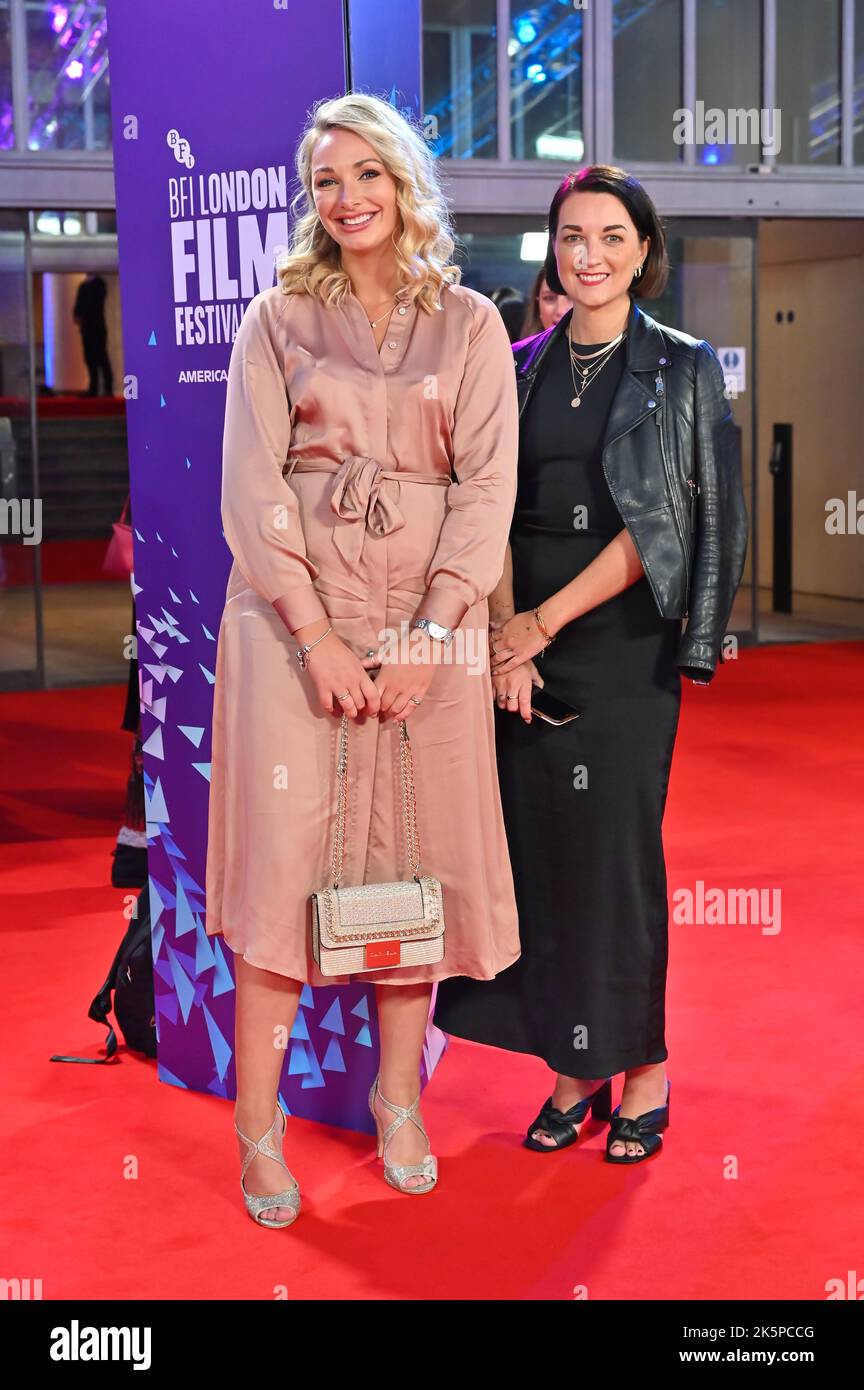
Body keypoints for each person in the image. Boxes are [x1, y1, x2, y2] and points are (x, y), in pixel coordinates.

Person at [204, 93, 521, 1225]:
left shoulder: (473, 323)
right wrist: (316, 631)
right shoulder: (275, 318)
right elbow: (249, 491)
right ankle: (258, 1126)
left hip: (434, 630)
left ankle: (398, 1100)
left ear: (404, 181)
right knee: (282, 875)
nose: (347, 199)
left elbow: (487, 489)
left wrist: (436, 633)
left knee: (413, 871)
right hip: (291, 628)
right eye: (327, 180)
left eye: (367, 175)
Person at [434, 164, 748, 1164]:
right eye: (572, 235)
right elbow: (482, 509)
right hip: (516, 641)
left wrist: (543, 622)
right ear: (552, 249)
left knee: (613, 864)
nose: (590, 254)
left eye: (612, 236)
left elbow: (672, 520)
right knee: (540, 864)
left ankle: (641, 1064)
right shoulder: (517, 362)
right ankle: (575, 1066)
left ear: (644, 252)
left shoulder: (682, 365)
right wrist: (500, 639)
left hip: (618, 648)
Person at [72, 272, 114, 397]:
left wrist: (83, 313)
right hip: (86, 329)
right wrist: (77, 316)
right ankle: (93, 388)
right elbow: (77, 307)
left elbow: (95, 304)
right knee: (90, 359)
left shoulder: (100, 284)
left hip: (98, 328)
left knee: (101, 357)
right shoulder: (82, 286)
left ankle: (108, 388)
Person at [520, 266, 571, 337]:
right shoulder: (520, 347)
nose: (560, 311)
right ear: (537, 305)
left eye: (572, 298)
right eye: (550, 298)